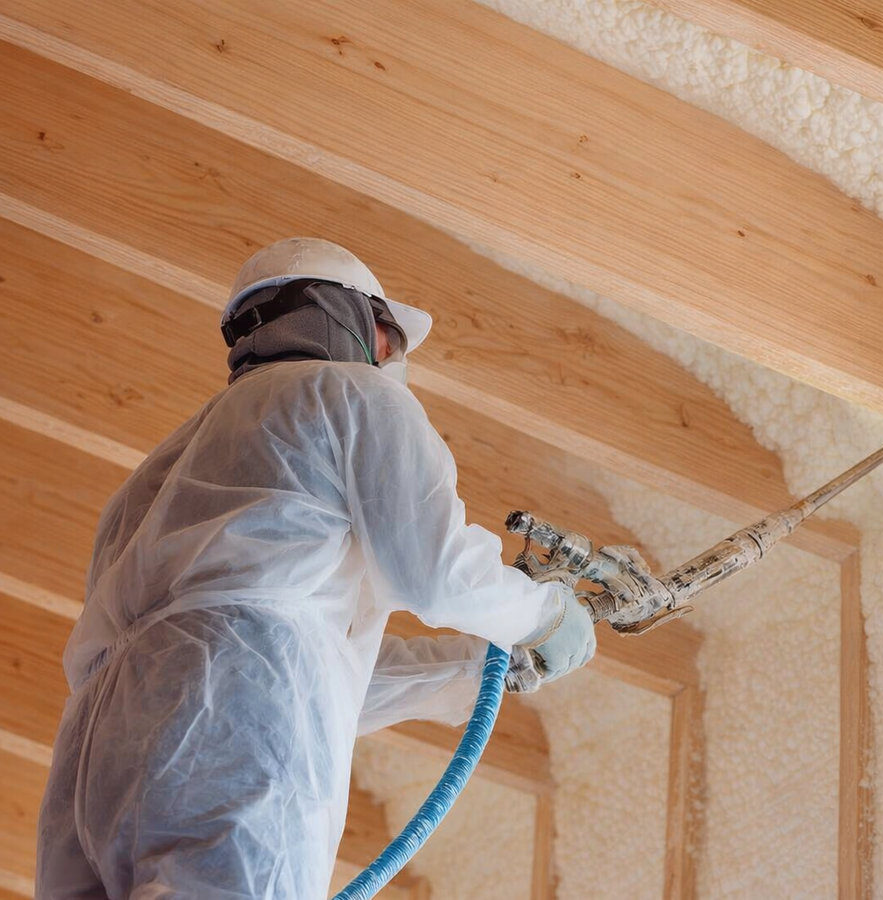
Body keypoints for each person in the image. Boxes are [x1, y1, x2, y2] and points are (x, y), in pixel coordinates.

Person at [35, 238, 596, 899]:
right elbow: (437, 575)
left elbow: (292, 666)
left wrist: (482, 671)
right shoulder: (351, 394)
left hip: (94, 761)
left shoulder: (152, 478)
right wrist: (542, 613)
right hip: (224, 751)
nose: (394, 359)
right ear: (359, 323)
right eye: (391, 338)